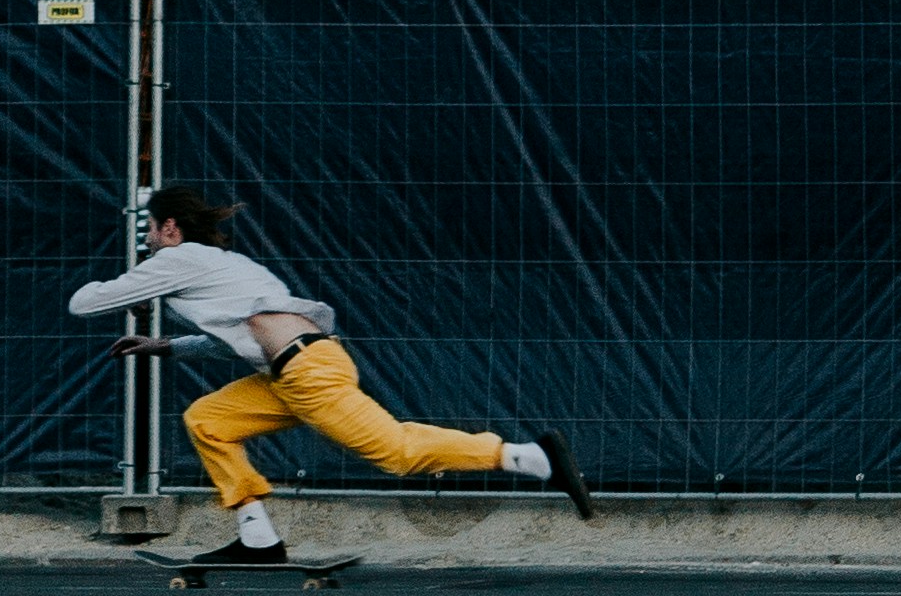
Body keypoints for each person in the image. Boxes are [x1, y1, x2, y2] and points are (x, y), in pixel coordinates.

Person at [68, 179, 594, 566]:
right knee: (209, 419)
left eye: (152, 233)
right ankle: (258, 540)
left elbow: (84, 304)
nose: (150, 242)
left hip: (307, 372)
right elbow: (241, 340)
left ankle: (532, 458)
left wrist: (137, 285)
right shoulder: (230, 267)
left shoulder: (176, 260)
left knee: (399, 453)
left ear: (170, 228)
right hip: (292, 370)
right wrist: (164, 344)